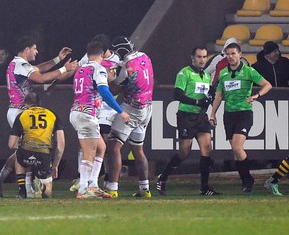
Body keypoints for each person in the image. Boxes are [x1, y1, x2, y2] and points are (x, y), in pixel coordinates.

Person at [0, 36, 78, 197]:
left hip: (20, 111)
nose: (37, 51)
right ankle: (25, 188)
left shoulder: (19, 64)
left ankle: (3, 181)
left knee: (24, 150)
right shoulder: (19, 64)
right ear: (27, 49)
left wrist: (58, 59)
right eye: (35, 48)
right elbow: (41, 77)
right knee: (26, 149)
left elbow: (39, 69)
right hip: (20, 111)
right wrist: (64, 68)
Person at [156, 46, 221, 196]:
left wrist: (210, 100)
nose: (202, 60)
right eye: (199, 57)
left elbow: (206, 97)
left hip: (201, 117)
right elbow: (177, 95)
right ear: (193, 58)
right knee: (184, 152)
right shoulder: (184, 73)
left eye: (204, 57)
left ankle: (204, 187)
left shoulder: (206, 75)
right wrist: (197, 102)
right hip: (186, 116)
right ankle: (163, 177)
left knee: (207, 149)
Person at [69, 40, 129, 199]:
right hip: (87, 114)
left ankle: (93, 185)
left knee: (101, 147)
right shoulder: (99, 69)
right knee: (90, 152)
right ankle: (83, 188)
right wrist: (120, 111)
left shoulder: (80, 70)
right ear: (102, 54)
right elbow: (104, 91)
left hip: (78, 112)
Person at [209, 42, 272, 193]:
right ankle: (247, 180)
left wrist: (256, 95)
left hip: (244, 112)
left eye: (233, 53)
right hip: (229, 114)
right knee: (236, 150)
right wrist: (213, 114)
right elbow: (218, 95)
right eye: (228, 54)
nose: (230, 57)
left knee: (237, 146)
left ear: (240, 55)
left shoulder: (249, 71)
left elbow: (267, 85)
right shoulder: (223, 73)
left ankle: (247, 180)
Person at [106, 36, 154, 198]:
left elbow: (114, 90)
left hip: (132, 109)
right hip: (147, 107)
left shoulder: (126, 66)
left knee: (113, 147)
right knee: (138, 149)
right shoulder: (145, 56)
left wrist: (109, 77)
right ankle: (145, 189)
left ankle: (112, 188)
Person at [8, 92, 65, 198]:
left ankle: (22, 190)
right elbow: (61, 145)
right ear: (40, 103)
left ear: (26, 105)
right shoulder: (52, 115)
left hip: (26, 152)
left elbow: (11, 144)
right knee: (48, 193)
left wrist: (20, 145)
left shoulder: (22, 115)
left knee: (18, 157)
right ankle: (42, 187)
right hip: (44, 154)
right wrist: (55, 165)